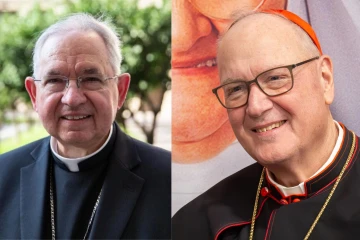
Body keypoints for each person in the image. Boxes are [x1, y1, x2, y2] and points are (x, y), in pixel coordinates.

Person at [172, 9, 360, 240]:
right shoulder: (195, 224)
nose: (256, 107)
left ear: (324, 79)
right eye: (236, 89)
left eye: (275, 78)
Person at [0, 13, 170, 239]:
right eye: (55, 81)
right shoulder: (3, 175)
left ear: (120, 91)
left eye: (91, 79)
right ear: (34, 94)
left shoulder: (172, 180)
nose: (72, 98)